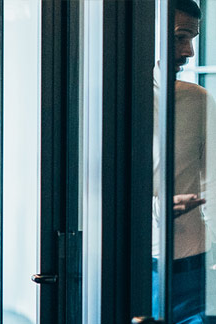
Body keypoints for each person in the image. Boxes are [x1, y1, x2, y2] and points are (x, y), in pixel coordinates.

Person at [152, 1, 215, 322]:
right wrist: (157, 208)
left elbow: (214, 183)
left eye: (192, 38)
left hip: (193, 265)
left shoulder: (196, 100)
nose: (189, 51)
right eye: (179, 37)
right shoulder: (95, 104)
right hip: (125, 266)